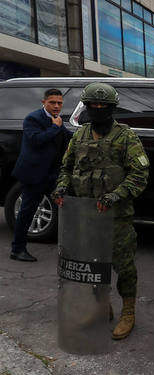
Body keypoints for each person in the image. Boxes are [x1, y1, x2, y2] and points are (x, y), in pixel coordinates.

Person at [52, 82, 149, 339]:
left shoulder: (125, 136)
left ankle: (128, 312)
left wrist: (116, 195)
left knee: (124, 266)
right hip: (85, 214)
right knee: (93, 264)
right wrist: (61, 188)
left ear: (112, 108)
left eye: (103, 106)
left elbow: (140, 174)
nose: (97, 109)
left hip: (116, 216)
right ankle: (100, 307)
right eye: (92, 105)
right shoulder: (79, 136)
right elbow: (66, 168)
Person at [10, 89, 73, 262]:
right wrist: (55, 127)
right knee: (27, 212)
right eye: (52, 102)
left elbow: (69, 137)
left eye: (59, 103)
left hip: (52, 175)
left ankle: (73, 248)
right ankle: (17, 250)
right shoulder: (33, 118)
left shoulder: (58, 121)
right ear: (43, 102)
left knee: (68, 205)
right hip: (33, 174)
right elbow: (36, 140)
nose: (56, 106)